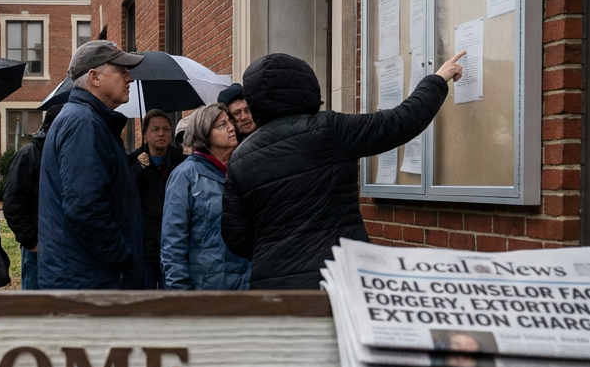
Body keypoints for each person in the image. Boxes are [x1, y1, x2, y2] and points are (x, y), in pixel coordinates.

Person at [222, 50, 466, 289]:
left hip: (273, 284)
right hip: (340, 276)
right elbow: (400, 121)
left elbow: (235, 236)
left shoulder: (239, 158)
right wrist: (437, 79)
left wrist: (274, 250)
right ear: (305, 86)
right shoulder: (330, 129)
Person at [37, 40, 145, 289]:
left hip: (87, 276)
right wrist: (122, 259)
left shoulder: (87, 120)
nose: (129, 78)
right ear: (95, 77)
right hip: (91, 281)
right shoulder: (83, 123)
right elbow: (85, 207)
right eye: (121, 70)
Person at [161, 103, 251, 290]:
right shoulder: (186, 175)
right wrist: (180, 292)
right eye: (222, 125)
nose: (231, 127)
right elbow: (173, 242)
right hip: (205, 288)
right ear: (204, 134)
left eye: (229, 122)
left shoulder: (240, 170)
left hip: (244, 286)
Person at [3, 106, 61, 289]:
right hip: (38, 247)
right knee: (36, 301)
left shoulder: (67, 155)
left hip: (64, 246)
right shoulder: (29, 155)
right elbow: (13, 202)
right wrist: (30, 242)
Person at [129, 109, 183, 288]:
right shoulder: (132, 162)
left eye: (166, 129)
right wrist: (139, 169)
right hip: (144, 247)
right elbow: (126, 193)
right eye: (155, 129)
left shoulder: (181, 162)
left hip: (174, 246)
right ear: (145, 135)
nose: (161, 133)